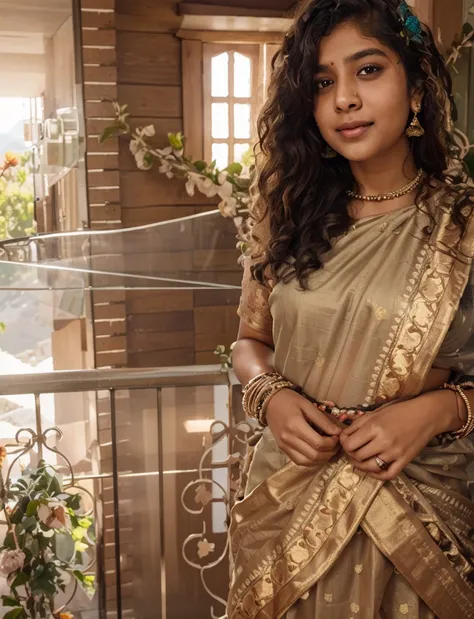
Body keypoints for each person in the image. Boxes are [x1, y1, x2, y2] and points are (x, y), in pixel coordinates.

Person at [227, 1, 474, 618]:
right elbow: (248, 343)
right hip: (288, 497)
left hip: (421, 519)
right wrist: (271, 398)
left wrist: (436, 411)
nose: (344, 99)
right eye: (322, 82)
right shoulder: (285, 214)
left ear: (416, 87)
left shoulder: (464, 226)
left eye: (367, 71)